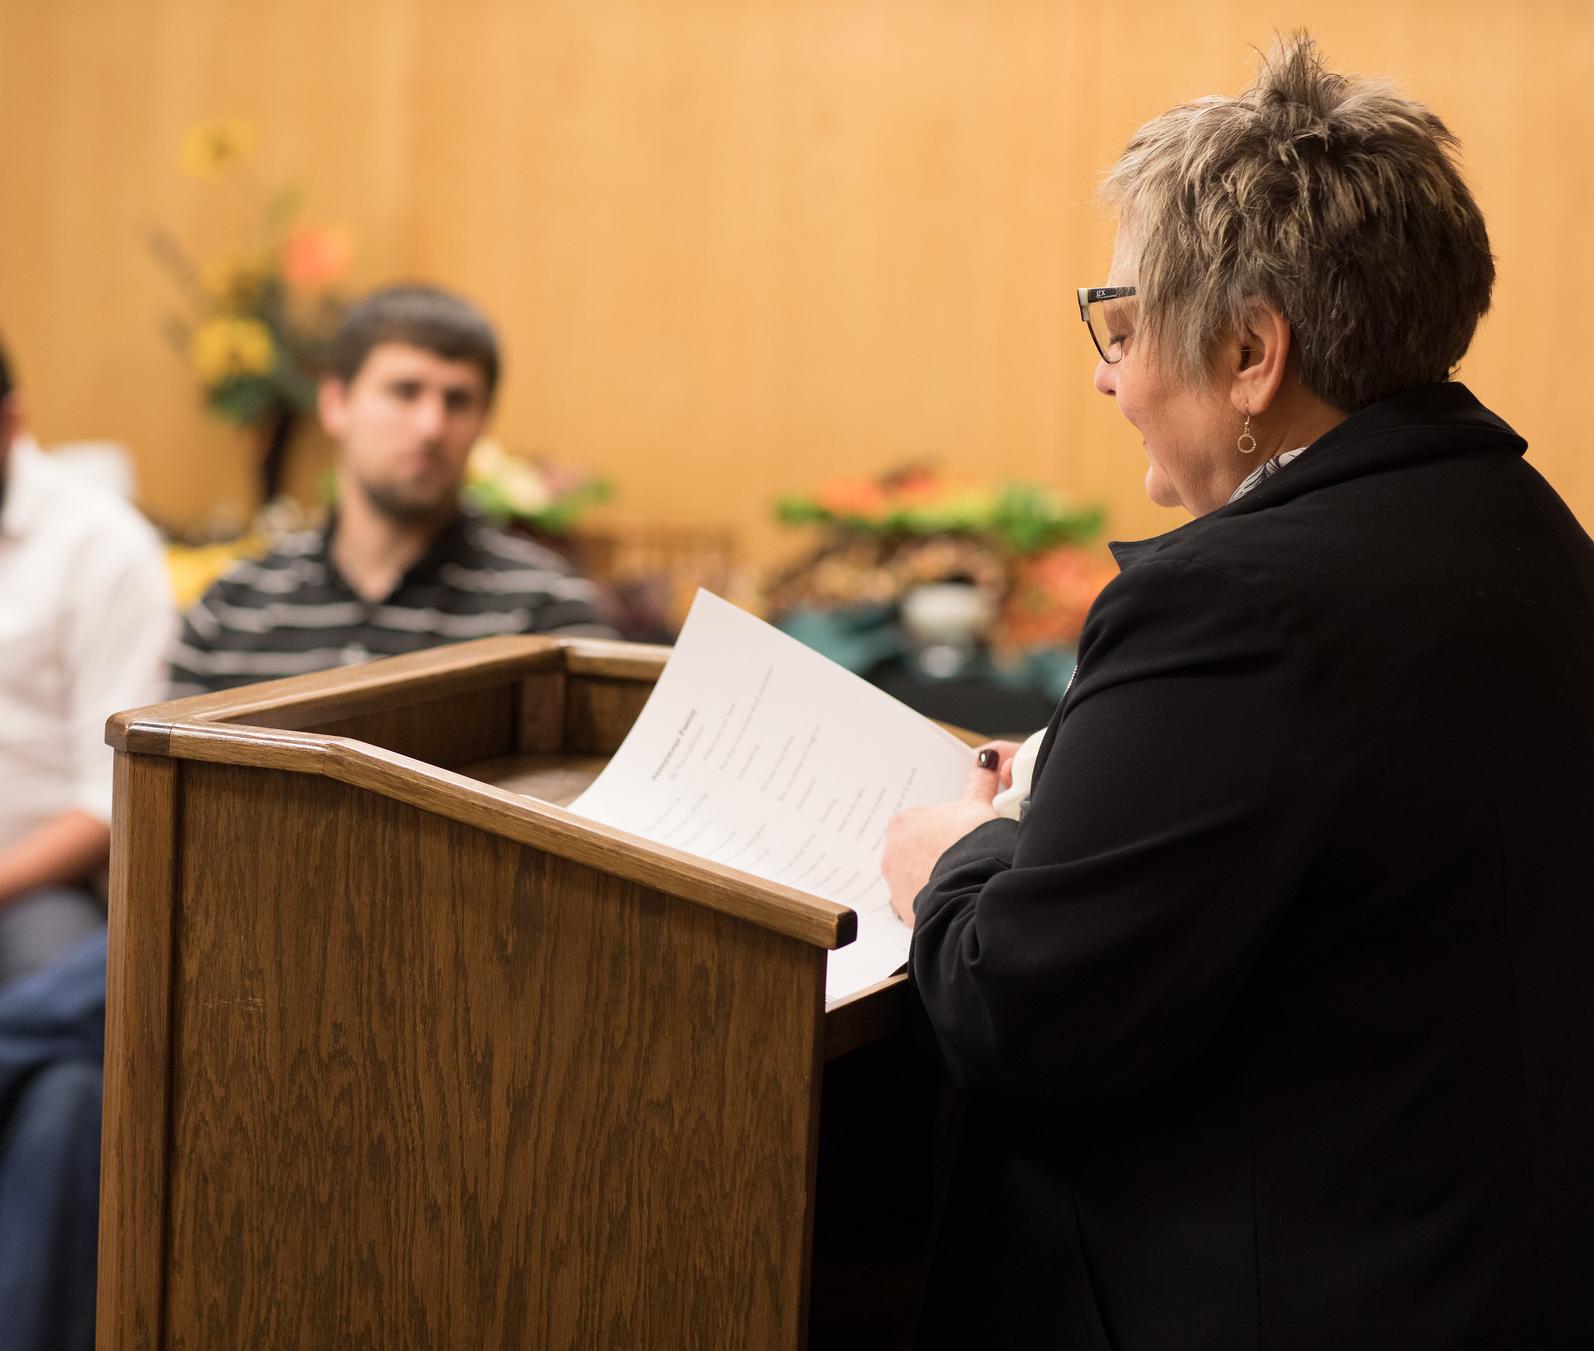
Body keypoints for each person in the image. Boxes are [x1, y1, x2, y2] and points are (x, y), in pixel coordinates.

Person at [882, 35, 1594, 1350]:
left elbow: (1015, 1006)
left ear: (1253, 355)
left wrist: (956, 855)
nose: (1107, 372)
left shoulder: (1234, 598)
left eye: (1125, 322)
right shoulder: (1519, 521)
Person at [169, 284, 612, 696]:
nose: (431, 426)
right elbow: (167, 778)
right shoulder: (229, 612)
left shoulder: (547, 616)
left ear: (484, 421)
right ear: (336, 403)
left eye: (457, 401)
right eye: (405, 392)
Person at [0, 338, 175, 988]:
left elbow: (112, 800)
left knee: (72, 1049)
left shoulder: (102, 547)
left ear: (10, 422)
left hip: (37, 887)